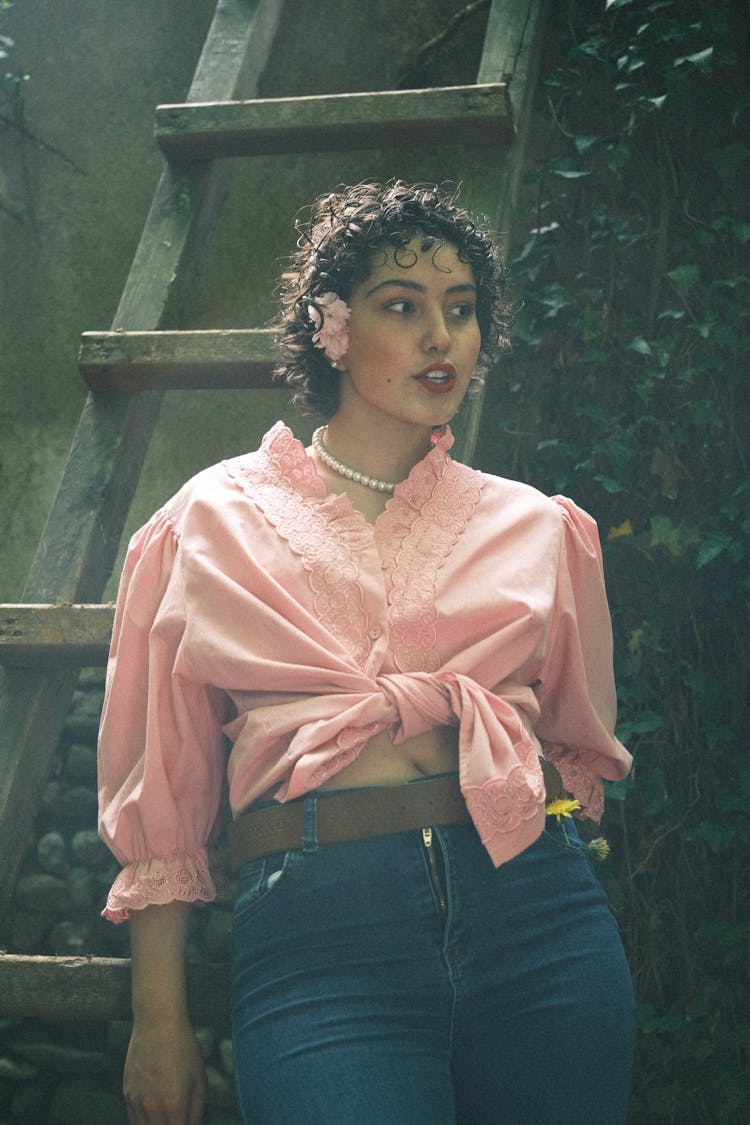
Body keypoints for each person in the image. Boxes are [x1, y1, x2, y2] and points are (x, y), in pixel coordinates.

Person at [98, 180, 635, 1125]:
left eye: (461, 312)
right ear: (332, 330)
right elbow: (166, 790)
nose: (441, 338)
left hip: (538, 917)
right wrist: (159, 1018)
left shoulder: (537, 527)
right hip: (320, 936)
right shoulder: (207, 522)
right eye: (404, 306)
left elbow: (571, 747)